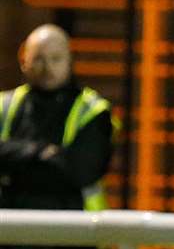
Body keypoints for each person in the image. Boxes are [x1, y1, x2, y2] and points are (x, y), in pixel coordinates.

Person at [0, 24, 115, 211]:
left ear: (69, 61)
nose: (47, 68)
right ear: (23, 62)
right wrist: (41, 151)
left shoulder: (93, 110)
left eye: (56, 59)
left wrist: (15, 158)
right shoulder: (4, 105)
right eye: (38, 59)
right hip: (10, 229)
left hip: (73, 230)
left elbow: (81, 170)